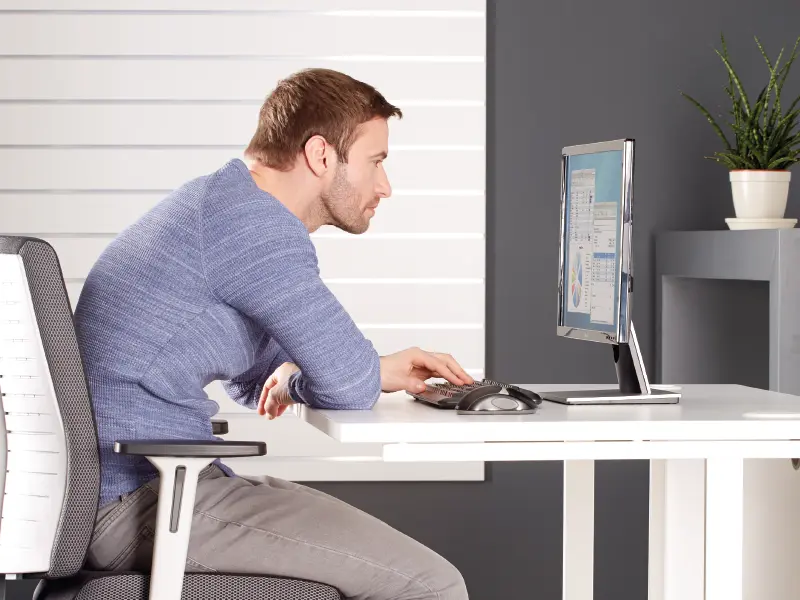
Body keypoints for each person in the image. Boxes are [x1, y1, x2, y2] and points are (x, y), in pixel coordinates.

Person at [73, 68, 472, 600]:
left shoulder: (222, 204)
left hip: (138, 490)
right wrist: (355, 373)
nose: (385, 186)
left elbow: (256, 375)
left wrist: (308, 373)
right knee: (433, 584)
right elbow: (349, 384)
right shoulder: (253, 228)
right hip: (143, 500)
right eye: (376, 161)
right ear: (322, 155)